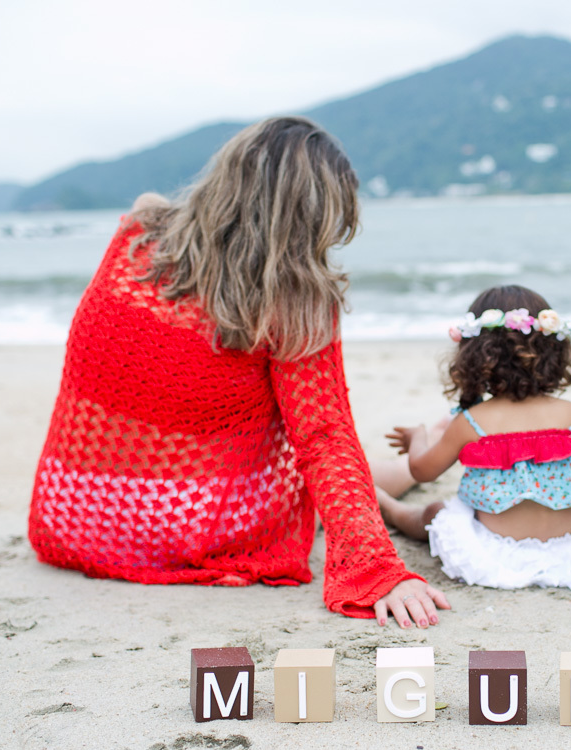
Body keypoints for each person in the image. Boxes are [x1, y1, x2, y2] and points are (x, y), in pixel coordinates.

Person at [28, 117, 448, 629]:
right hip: (192, 529)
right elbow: (323, 438)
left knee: (272, 429)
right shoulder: (296, 303)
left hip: (75, 516)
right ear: (310, 216)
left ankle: (405, 486)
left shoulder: (139, 233)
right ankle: (410, 486)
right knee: (308, 439)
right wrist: (378, 570)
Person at [376, 285, 571, 592]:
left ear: (473, 356)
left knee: (435, 512)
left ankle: (391, 509)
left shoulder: (471, 422)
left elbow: (422, 471)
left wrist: (418, 438)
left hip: (492, 550)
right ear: (554, 350)